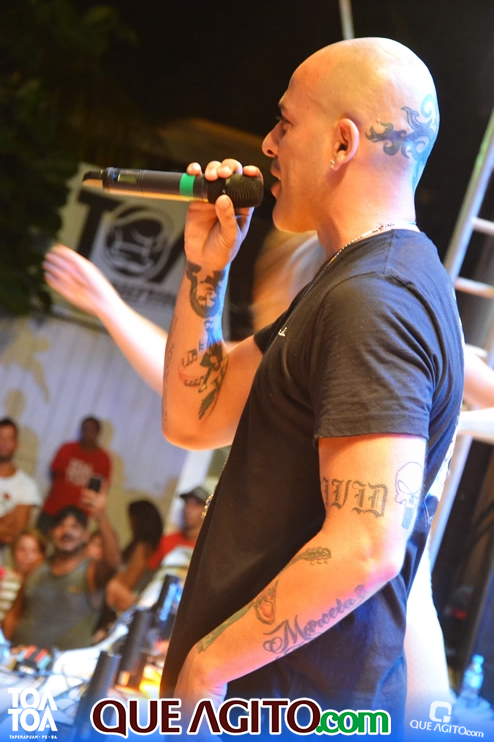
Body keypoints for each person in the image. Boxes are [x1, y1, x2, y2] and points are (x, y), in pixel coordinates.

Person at [157, 36, 464, 737]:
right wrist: (207, 268)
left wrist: (209, 665)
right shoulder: (351, 285)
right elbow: (193, 416)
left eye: (286, 122)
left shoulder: (374, 300)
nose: (268, 144)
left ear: (342, 143)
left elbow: (366, 546)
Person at [3, 486, 120, 651]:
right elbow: (14, 614)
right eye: (61, 525)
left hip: (63, 666)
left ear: (85, 535)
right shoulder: (37, 566)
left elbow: (113, 564)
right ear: (51, 532)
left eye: (75, 527)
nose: (67, 531)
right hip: (17, 657)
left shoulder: (91, 572)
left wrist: (101, 516)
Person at [37, 415, 112, 534]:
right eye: (85, 429)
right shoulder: (67, 448)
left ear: (98, 433)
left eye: (92, 430)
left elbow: (103, 488)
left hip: (79, 517)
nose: (88, 432)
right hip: (52, 510)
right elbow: (54, 472)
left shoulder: (104, 459)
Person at [104, 498, 163, 614]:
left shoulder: (144, 547)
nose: (130, 524)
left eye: (132, 520)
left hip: (128, 604)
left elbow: (128, 582)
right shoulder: (145, 545)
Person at [0, 418, 42, 561]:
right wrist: (4, 521)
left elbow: (15, 534)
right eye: (1, 437)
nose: (4, 442)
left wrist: (8, 530)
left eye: (9, 438)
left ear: (17, 444)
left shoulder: (27, 486)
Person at [147, 487, 207, 572]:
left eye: (196, 505)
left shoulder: (206, 550)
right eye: (187, 503)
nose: (188, 509)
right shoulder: (167, 541)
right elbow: (150, 572)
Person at [0, 527, 47, 623]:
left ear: (42, 555)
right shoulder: (2, 575)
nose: (28, 555)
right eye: (22, 549)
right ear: (13, 551)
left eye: (34, 551)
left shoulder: (44, 583)